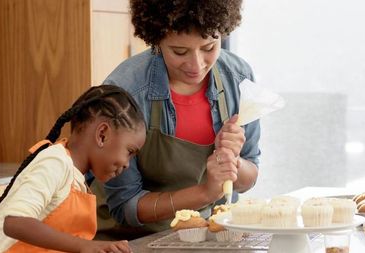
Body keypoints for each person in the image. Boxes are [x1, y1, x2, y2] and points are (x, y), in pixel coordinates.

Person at [101, 0, 261, 234]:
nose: (196, 65)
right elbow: (124, 206)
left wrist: (232, 162)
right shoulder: (125, 91)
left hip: (206, 237)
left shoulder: (238, 78)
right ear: (157, 39)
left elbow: (250, 175)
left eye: (209, 47)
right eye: (179, 51)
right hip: (131, 241)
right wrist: (205, 193)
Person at [0, 85, 146, 253]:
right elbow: (14, 222)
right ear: (102, 134)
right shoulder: (55, 163)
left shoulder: (78, 179)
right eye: (129, 152)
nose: (127, 164)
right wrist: (85, 246)